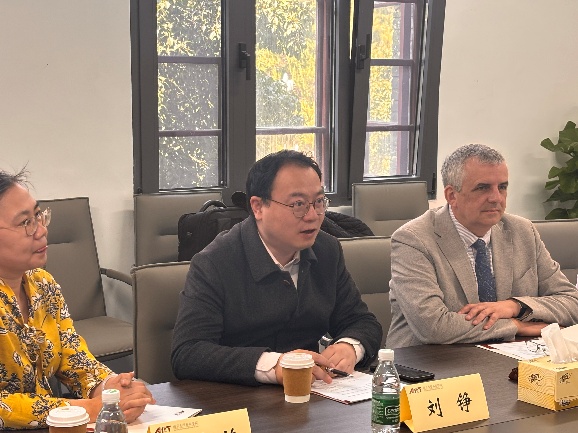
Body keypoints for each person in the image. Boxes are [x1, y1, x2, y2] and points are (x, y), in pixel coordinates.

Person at [171, 150, 382, 386]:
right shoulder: (215, 262)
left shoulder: (327, 250)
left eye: (319, 202)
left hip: (312, 394)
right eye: (298, 204)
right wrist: (274, 365)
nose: (312, 215)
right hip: (238, 398)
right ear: (258, 207)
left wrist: (350, 346)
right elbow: (188, 353)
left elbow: (363, 322)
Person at [0, 168, 155, 430]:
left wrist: (111, 389)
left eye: (39, 216)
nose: (41, 231)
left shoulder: (42, 284)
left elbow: (73, 357)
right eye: (25, 223)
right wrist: (89, 409)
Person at [387, 144, 578, 348]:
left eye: (502, 187)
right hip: (430, 359)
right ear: (452, 195)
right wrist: (515, 325)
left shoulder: (522, 231)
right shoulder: (414, 240)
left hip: (510, 355)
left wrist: (515, 306)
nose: (496, 198)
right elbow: (433, 326)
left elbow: (572, 303)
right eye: (483, 188)